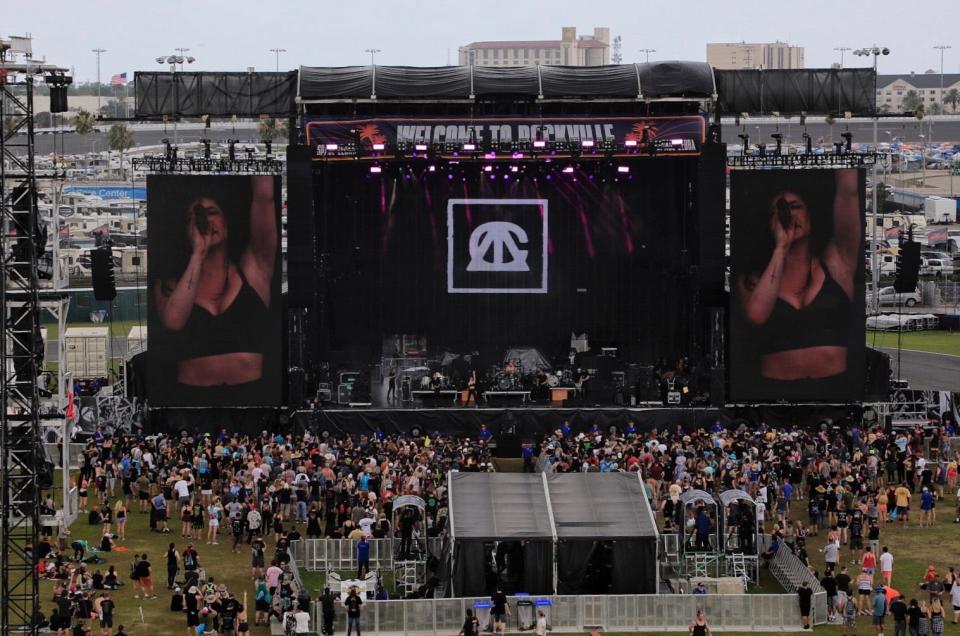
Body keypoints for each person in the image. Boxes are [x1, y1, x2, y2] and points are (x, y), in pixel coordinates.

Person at [734, 169, 860, 386]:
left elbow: (848, 192)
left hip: (835, 386)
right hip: (773, 389)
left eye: (795, 207)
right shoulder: (753, 279)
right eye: (779, 211)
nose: (789, 216)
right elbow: (756, 315)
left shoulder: (837, 262)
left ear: (810, 213)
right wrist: (781, 248)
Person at [152, 176, 278, 393]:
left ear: (227, 223)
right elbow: (173, 321)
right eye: (195, 218)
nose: (205, 223)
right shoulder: (169, 284)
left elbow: (264, 198)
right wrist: (198, 253)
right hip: (191, 397)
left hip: (252, 393)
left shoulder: (253, 268)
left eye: (212, 213)